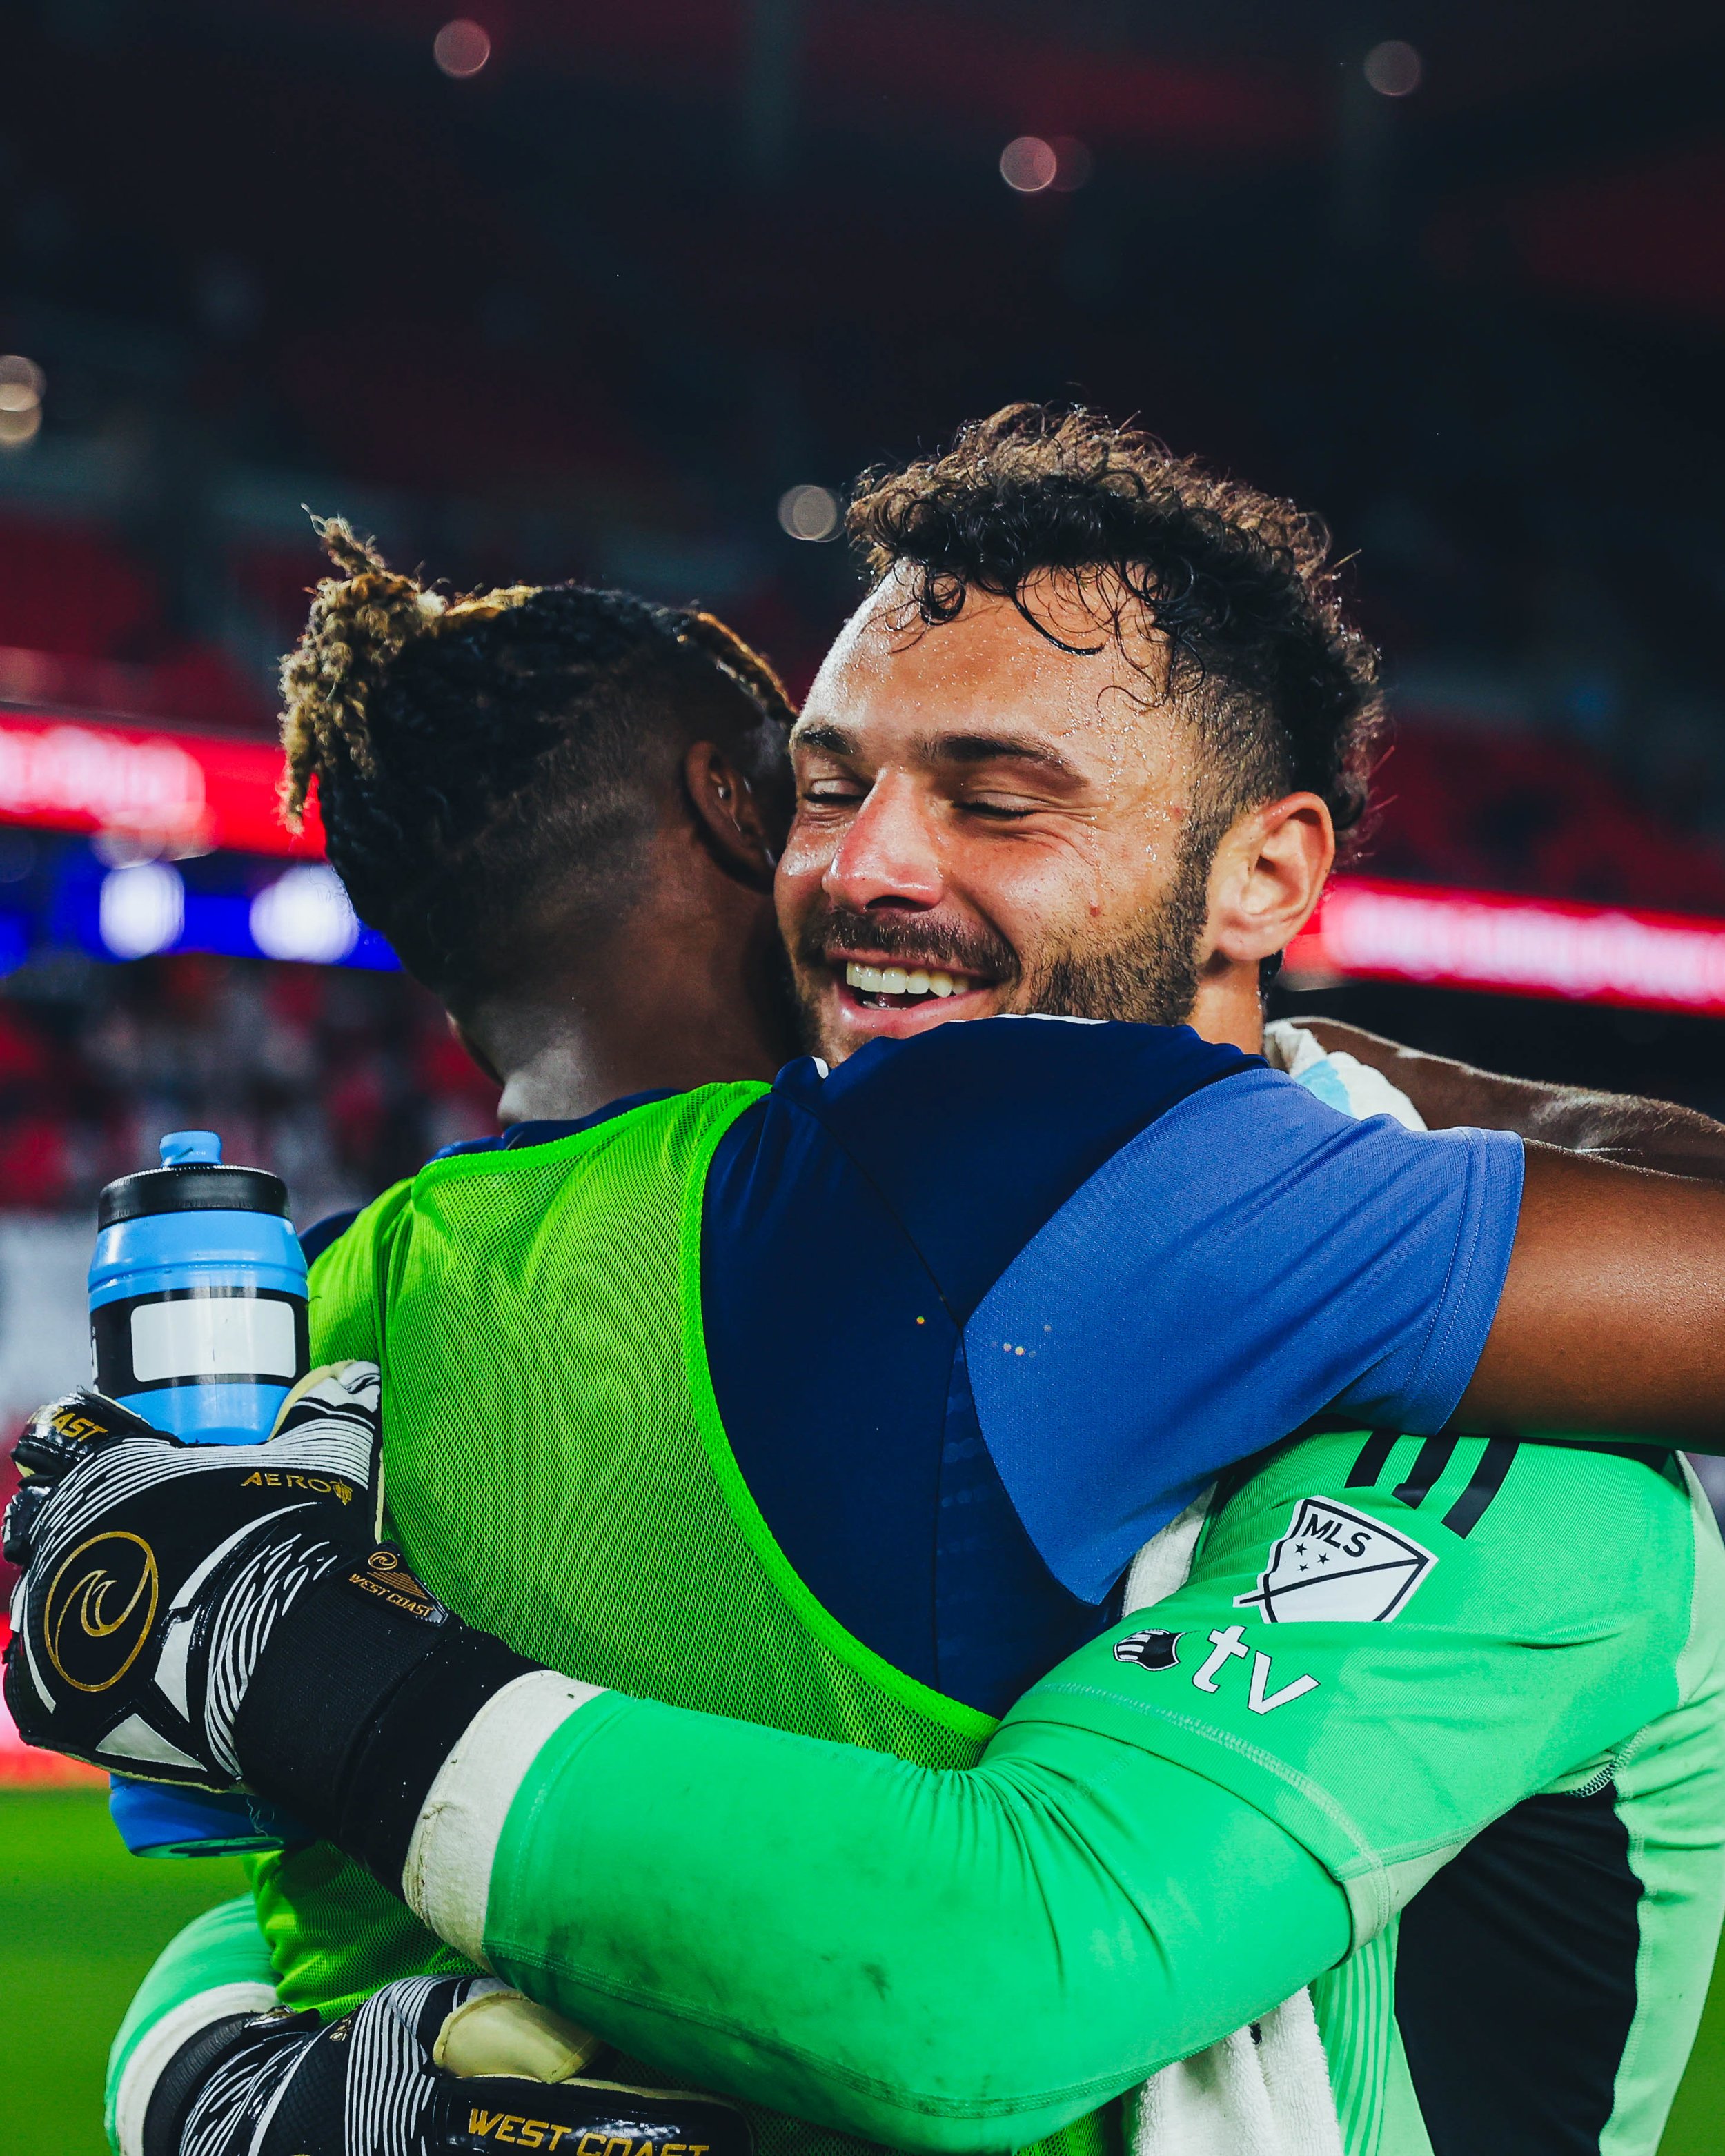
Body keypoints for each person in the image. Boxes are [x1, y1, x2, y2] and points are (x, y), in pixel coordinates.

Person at [14, 409, 1725, 2156]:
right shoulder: (927, 1200)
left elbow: (992, 1975)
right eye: (822, 790)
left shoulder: (370, 1285)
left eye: (993, 801)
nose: (857, 867)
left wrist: (222, 2026)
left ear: (1264, 873)